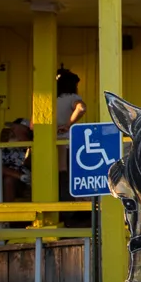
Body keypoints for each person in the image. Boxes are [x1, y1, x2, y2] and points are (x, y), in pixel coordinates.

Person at [56, 67, 86, 200]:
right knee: (69, 175)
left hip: (50, 143)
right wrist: (68, 124)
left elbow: (33, 125)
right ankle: (71, 208)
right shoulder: (72, 97)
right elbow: (81, 108)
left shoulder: (48, 99)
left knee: (56, 176)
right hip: (67, 143)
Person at [0, 119, 33, 202]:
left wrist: (22, 144)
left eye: (14, 128)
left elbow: (31, 165)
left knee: (9, 180)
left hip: (21, 183)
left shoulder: (32, 147)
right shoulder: (6, 147)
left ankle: (7, 212)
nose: (11, 131)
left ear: (24, 129)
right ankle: (18, 175)